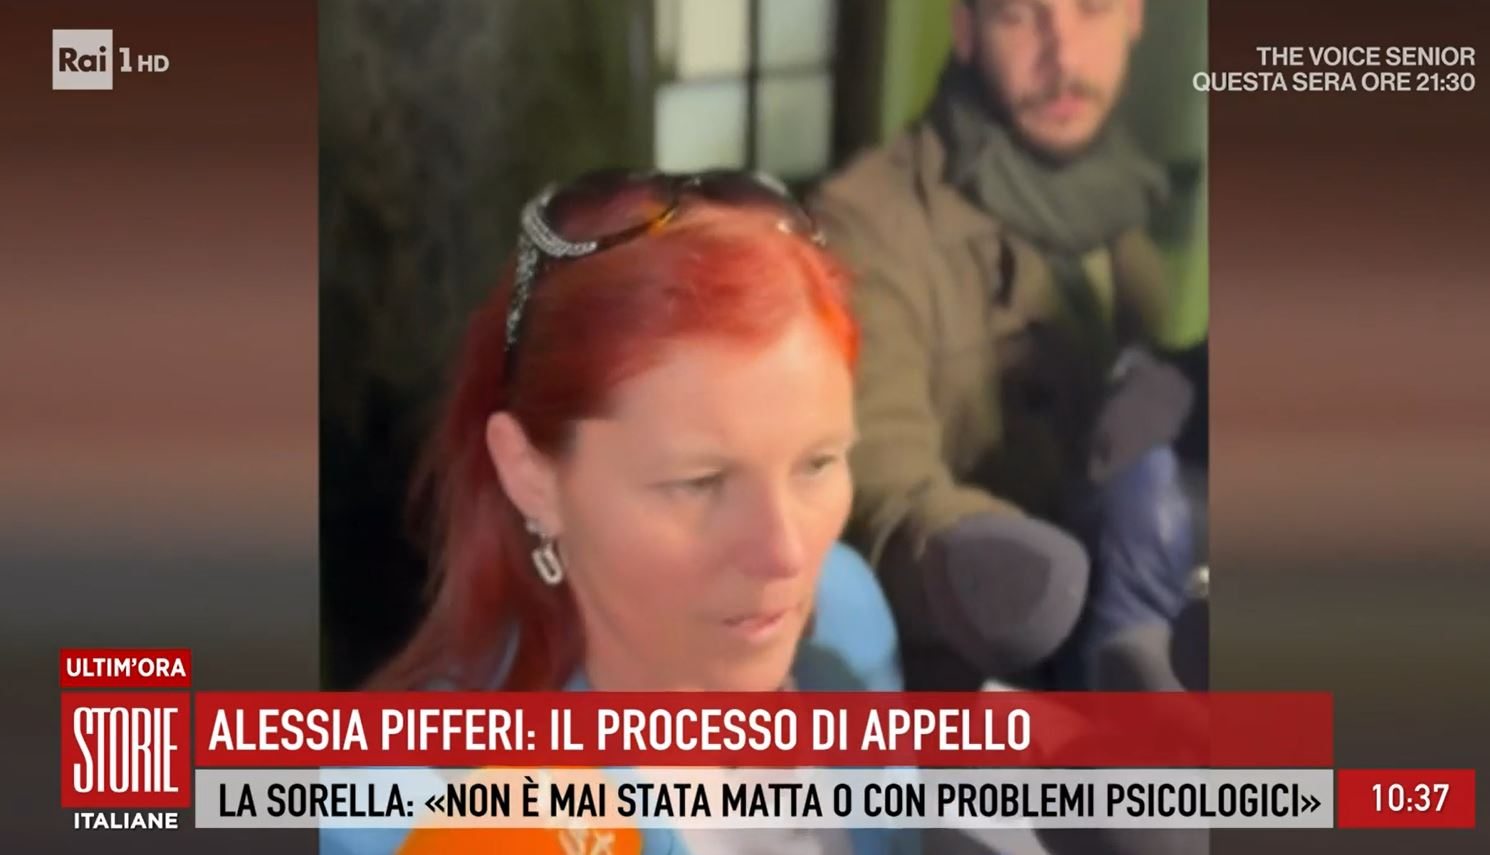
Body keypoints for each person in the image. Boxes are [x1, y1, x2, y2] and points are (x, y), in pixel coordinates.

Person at [321, 169, 912, 855]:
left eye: (817, 464)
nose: (787, 553)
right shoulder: (401, 819)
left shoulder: (846, 613)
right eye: (700, 483)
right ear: (532, 477)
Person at [811, 0, 1200, 695]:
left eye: (1092, 8)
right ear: (965, 30)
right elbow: (882, 498)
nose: (1063, 57)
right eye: (1019, 15)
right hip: (970, 688)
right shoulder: (867, 229)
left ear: (1135, 15)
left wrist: (1180, 385)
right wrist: (1004, 572)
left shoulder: (1121, 197)